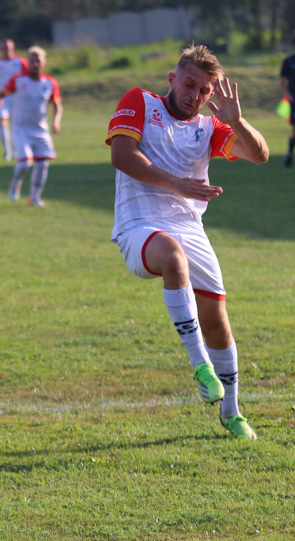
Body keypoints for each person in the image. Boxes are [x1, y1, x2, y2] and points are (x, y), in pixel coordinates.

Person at [106, 43, 269, 439]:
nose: (194, 94)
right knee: (172, 256)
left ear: (211, 96)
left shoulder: (209, 127)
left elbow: (260, 155)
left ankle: (231, 411)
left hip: (189, 229)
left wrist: (238, 122)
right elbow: (123, 157)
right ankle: (200, 366)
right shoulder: (140, 102)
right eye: (189, 83)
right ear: (172, 78)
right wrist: (177, 183)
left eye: (203, 91)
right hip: (139, 226)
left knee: (217, 322)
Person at [0, 46, 62, 206]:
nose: (35, 64)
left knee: (43, 164)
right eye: (32, 61)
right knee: (24, 164)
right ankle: (16, 182)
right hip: (20, 130)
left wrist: (56, 121)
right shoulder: (18, 80)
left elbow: (56, 104)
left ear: (44, 63)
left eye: (38, 61)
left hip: (41, 130)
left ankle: (34, 198)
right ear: (28, 62)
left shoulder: (50, 82)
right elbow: (0, 96)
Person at [0, 38, 28, 162]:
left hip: (17, 97)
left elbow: (27, 77)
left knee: (17, 125)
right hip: (2, 98)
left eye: (7, 47)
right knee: (2, 121)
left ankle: (18, 150)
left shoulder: (21, 61)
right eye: (3, 47)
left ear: (13, 47)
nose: (5, 49)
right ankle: (7, 151)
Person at [279, 32, 295, 167]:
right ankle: (290, 152)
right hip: (293, 101)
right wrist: (287, 95)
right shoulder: (289, 61)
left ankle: (290, 152)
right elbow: (282, 81)